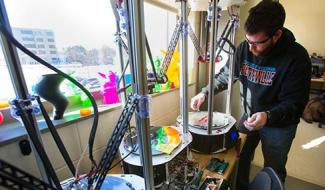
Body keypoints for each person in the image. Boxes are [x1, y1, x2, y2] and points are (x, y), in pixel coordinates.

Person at [190, 1, 311, 189]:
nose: (251, 49)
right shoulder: (245, 48)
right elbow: (226, 76)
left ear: (276, 35)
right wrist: (205, 93)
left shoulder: (297, 58)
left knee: (273, 168)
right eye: (248, 41)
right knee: (238, 156)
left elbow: (295, 104)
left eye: (257, 43)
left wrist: (268, 116)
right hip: (250, 115)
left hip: (279, 124)